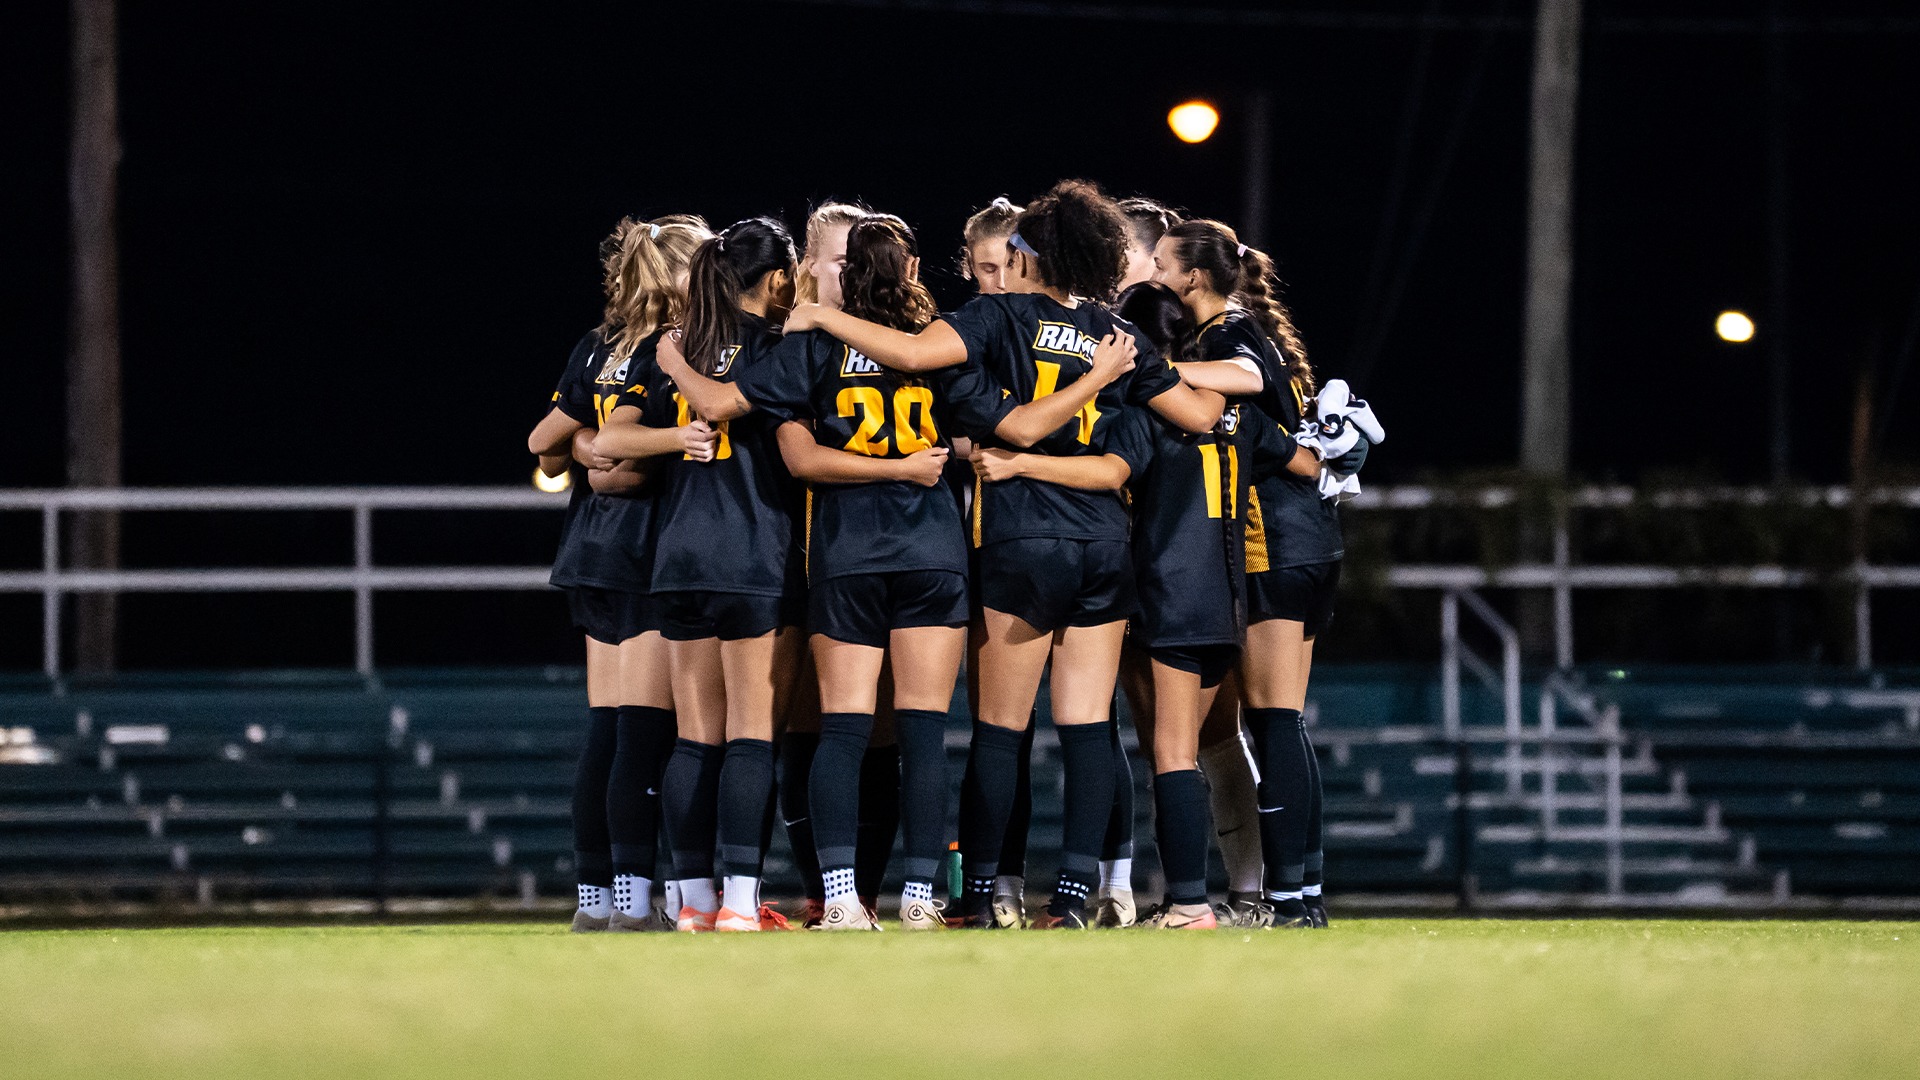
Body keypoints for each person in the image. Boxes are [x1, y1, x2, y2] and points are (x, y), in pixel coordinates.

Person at [786, 179, 1228, 928]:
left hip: (1023, 539)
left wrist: (821, 316)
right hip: (1102, 542)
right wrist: (1148, 368)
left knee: (1001, 727)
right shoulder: (1112, 332)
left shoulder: (996, 316)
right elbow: (1198, 414)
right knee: (1090, 726)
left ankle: (988, 893)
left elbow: (913, 350)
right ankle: (1078, 894)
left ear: (1030, 255)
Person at [660, 214, 1080, 929]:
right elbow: (997, 428)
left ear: (844, 275)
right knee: (921, 735)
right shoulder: (941, 348)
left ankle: (843, 899)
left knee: (844, 734)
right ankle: (921, 896)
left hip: (847, 558)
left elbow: (795, 456)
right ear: (912, 271)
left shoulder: (814, 342)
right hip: (933, 555)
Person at [595, 217, 806, 932]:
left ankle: (693, 905)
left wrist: (673, 381)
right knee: (748, 733)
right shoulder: (781, 350)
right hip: (750, 555)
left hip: (678, 558)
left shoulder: (670, 347)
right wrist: (687, 392)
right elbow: (718, 405)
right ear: (777, 280)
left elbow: (608, 441)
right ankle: (740, 906)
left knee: (695, 738)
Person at [1152, 218, 1360, 928]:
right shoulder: (1242, 327)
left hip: (1276, 540)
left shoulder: (1227, 335)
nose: (1151, 271)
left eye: (1159, 261)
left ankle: (1289, 901)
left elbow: (1248, 380)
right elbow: (1287, 439)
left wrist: (1153, 369)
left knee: (1273, 721)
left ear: (1193, 276)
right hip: (1312, 538)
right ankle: (1302, 896)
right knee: (1284, 723)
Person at [526, 214, 714, 932]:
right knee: (640, 733)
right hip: (642, 549)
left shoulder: (599, 343)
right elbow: (616, 459)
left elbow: (544, 443)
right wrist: (622, 450)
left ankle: (593, 899)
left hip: (591, 550)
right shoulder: (676, 350)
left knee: (606, 729)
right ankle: (633, 903)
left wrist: (582, 447)